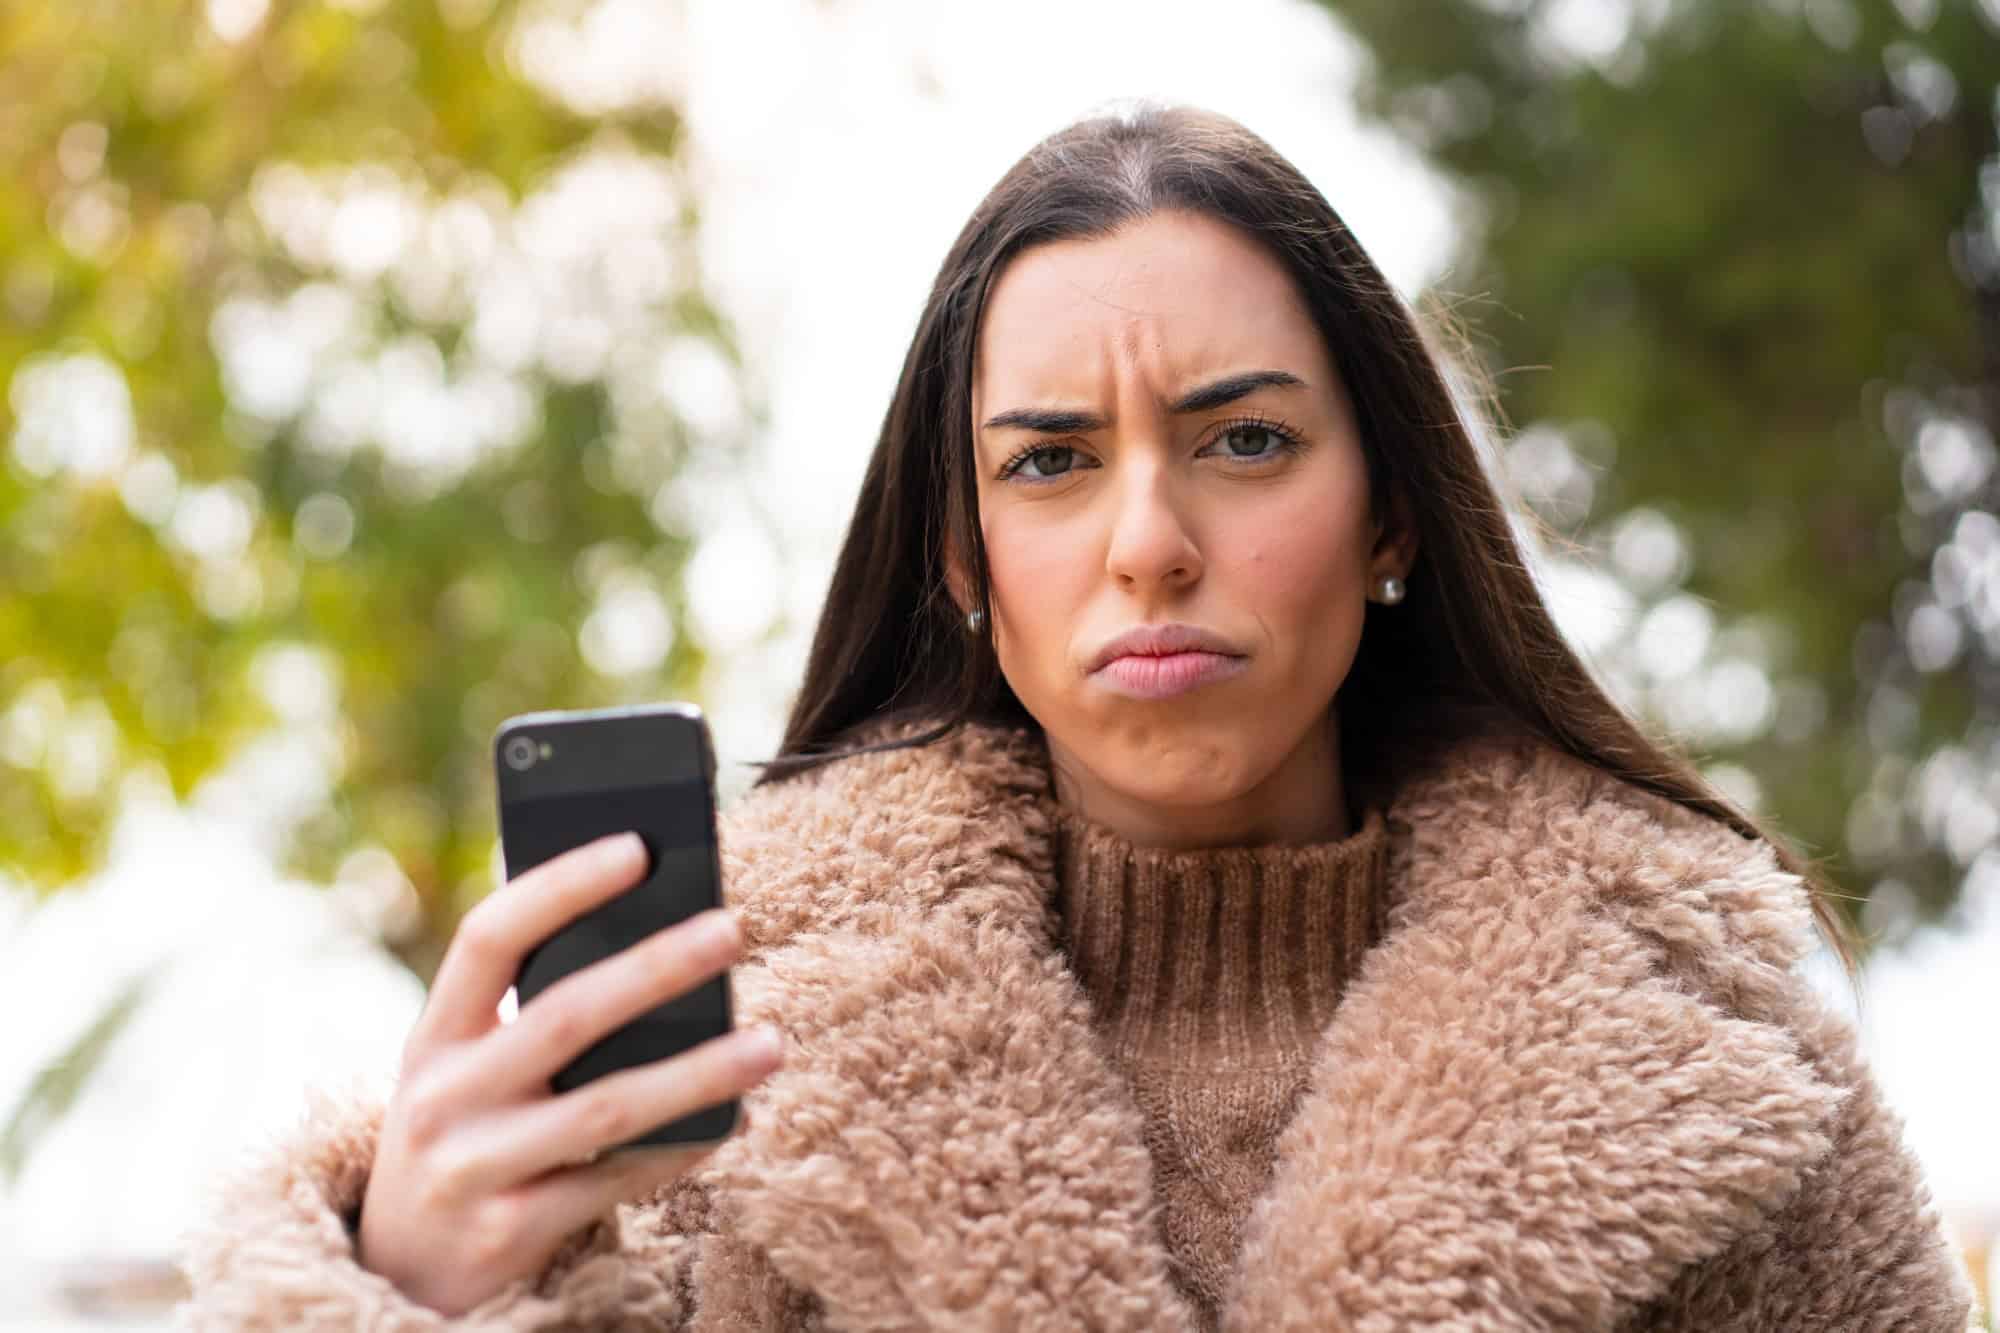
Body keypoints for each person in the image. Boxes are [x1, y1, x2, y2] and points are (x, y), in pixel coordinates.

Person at [173, 101, 1982, 1331]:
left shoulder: (1712, 1069)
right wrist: (406, 1288)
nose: (1147, 543)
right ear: (964, 556)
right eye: (1050, 462)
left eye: (1245, 439)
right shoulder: (724, 1102)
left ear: (1393, 516)